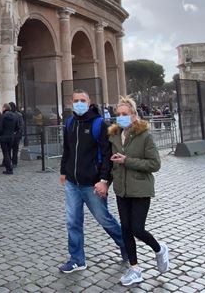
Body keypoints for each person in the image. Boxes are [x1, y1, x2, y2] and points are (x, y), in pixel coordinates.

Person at [58, 89, 128, 274]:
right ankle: (77, 259)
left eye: (82, 100)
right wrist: (63, 171)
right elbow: (67, 149)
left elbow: (107, 155)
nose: (79, 103)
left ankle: (126, 245)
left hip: (93, 183)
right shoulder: (70, 123)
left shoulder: (99, 124)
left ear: (89, 103)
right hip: (73, 182)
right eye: (76, 100)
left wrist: (104, 180)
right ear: (71, 103)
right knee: (73, 222)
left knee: (104, 219)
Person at [108, 97, 170, 286]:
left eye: (125, 114)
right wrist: (105, 180)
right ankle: (134, 268)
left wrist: (127, 161)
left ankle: (160, 249)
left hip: (141, 188)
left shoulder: (145, 136)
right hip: (122, 189)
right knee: (125, 229)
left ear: (134, 115)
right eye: (118, 115)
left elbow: (154, 164)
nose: (121, 117)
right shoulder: (114, 135)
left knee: (137, 228)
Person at [0, 105, 17, 174]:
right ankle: (9, 166)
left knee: (5, 153)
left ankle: (9, 169)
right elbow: (16, 127)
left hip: (3, 137)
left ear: (5, 108)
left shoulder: (2, 116)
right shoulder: (14, 116)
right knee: (8, 152)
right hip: (11, 136)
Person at [9, 102, 24, 167]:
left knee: (14, 149)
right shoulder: (11, 114)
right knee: (11, 149)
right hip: (12, 134)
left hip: (15, 134)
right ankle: (10, 161)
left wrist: (18, 132)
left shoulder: (18, 115)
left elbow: (21, 125)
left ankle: (14, 162)